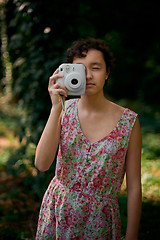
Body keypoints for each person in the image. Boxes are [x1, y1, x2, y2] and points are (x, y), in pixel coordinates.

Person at [35, 38, 142, 240]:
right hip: (59, 212)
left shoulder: (129, 122)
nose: (88, 76)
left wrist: (132, 234)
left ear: (107, 72)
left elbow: (134, 185)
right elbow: (41, 164)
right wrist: (56, 107)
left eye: (96, 68)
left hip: (100, 221)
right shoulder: (63, 111)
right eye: (80, 69)